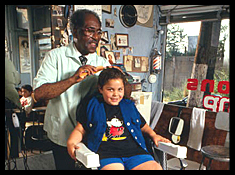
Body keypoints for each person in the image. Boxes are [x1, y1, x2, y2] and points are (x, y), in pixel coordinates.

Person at [33, 9, 111, 170]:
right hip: (61, 133)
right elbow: (39, 93)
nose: (96, 37)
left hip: (91, 133)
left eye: (98, 32)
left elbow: (120, 94)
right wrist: (72, 79)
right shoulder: (55, 57)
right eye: (90, 31)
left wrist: (122, 78)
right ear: (74, 31)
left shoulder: (102, 62)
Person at [67, 68, 171, 170]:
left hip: (135, 152)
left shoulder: (129, 105)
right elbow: (80, 129)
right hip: (107, 154)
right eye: (110, 89)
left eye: (120, 89)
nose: (116, 94)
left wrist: (154, 135)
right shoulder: (92, 106)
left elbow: (142, 126)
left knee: (155, 168)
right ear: (100, 89)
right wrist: (71, 142)